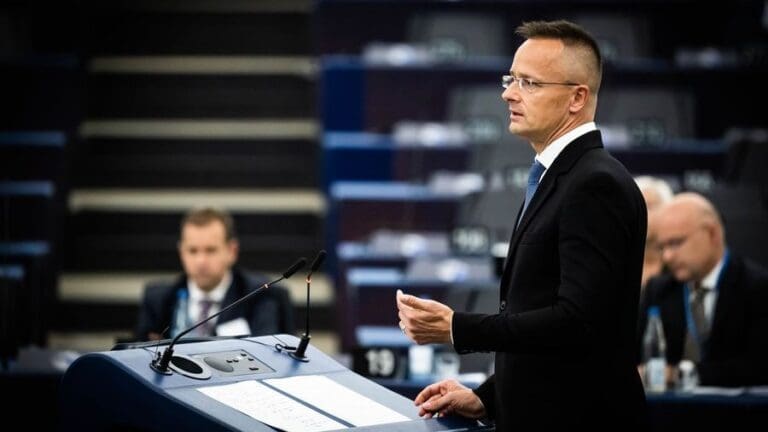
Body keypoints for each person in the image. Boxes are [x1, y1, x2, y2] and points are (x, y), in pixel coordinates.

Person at [396, 20, 647, 428]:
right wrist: (488, 398)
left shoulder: (595, 184)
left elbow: (578, 322)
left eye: (529, 83)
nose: (508, 93)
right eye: (511, 79)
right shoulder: (560, 175)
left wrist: (458, 327)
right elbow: (543, 320)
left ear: (576, 98)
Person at [642, 192, 768, 387]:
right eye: (661, 247)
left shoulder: (756, 288)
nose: (667, 257)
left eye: (675, 243)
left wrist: (680, 374)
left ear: (712, 234)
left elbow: (759, 366)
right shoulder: (659, 291)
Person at [135, 207, 293, 341]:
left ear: (232, 251)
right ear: (181, 252)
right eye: (192, 250)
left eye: (210, 250)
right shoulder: (158, 300)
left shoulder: (261, 296)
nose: (201, 261)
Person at [635, 176, 675, 287]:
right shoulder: (616, 263)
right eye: (635, 206)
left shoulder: (680, 265)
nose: (640, 213)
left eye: (648, 206)